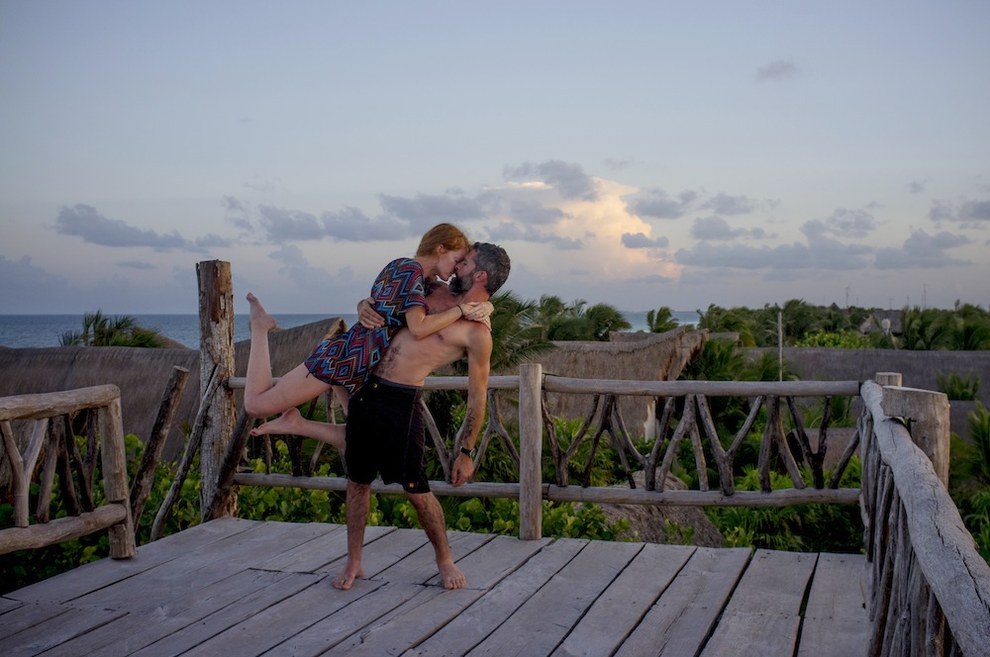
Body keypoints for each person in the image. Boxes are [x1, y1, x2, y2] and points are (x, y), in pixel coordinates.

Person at [252, 242, 511, 591]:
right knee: (357, 482)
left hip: (401, 401)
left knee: (416, 489)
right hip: (366, 384)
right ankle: (354, 561)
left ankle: (445, 560)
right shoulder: (431, 289)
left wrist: (465, 451)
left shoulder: (478, 333)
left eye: (465, 263)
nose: (457, 265)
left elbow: (477, 398)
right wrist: (363, 305)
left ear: (480, 275)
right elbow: (385, 299)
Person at [243, 223, 492, 422]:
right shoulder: (410, 272)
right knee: (256, 405)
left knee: (356, 438)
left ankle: (297, 424)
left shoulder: (411, 273)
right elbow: (419, 327)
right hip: (342, 360)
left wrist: (362, 305)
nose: (456, 268)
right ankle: (260, 327)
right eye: (457, 259)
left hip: (358, 368)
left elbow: (378, 304)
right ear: (440, 249)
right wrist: (462, 310)